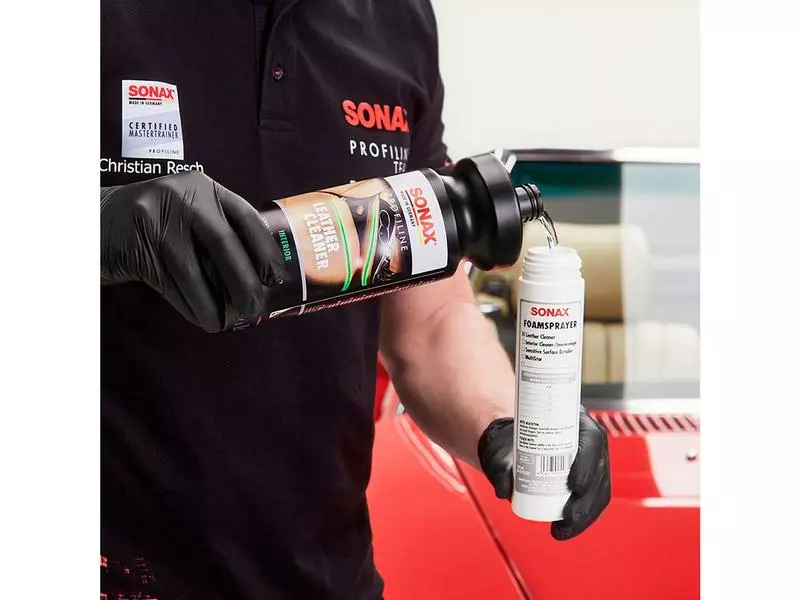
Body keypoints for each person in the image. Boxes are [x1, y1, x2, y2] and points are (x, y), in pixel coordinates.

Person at [100, 1, 611, 598]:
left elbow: (430, 319)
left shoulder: (399, 18)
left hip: (328, 578)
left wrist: (505, 420)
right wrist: (99, 228)